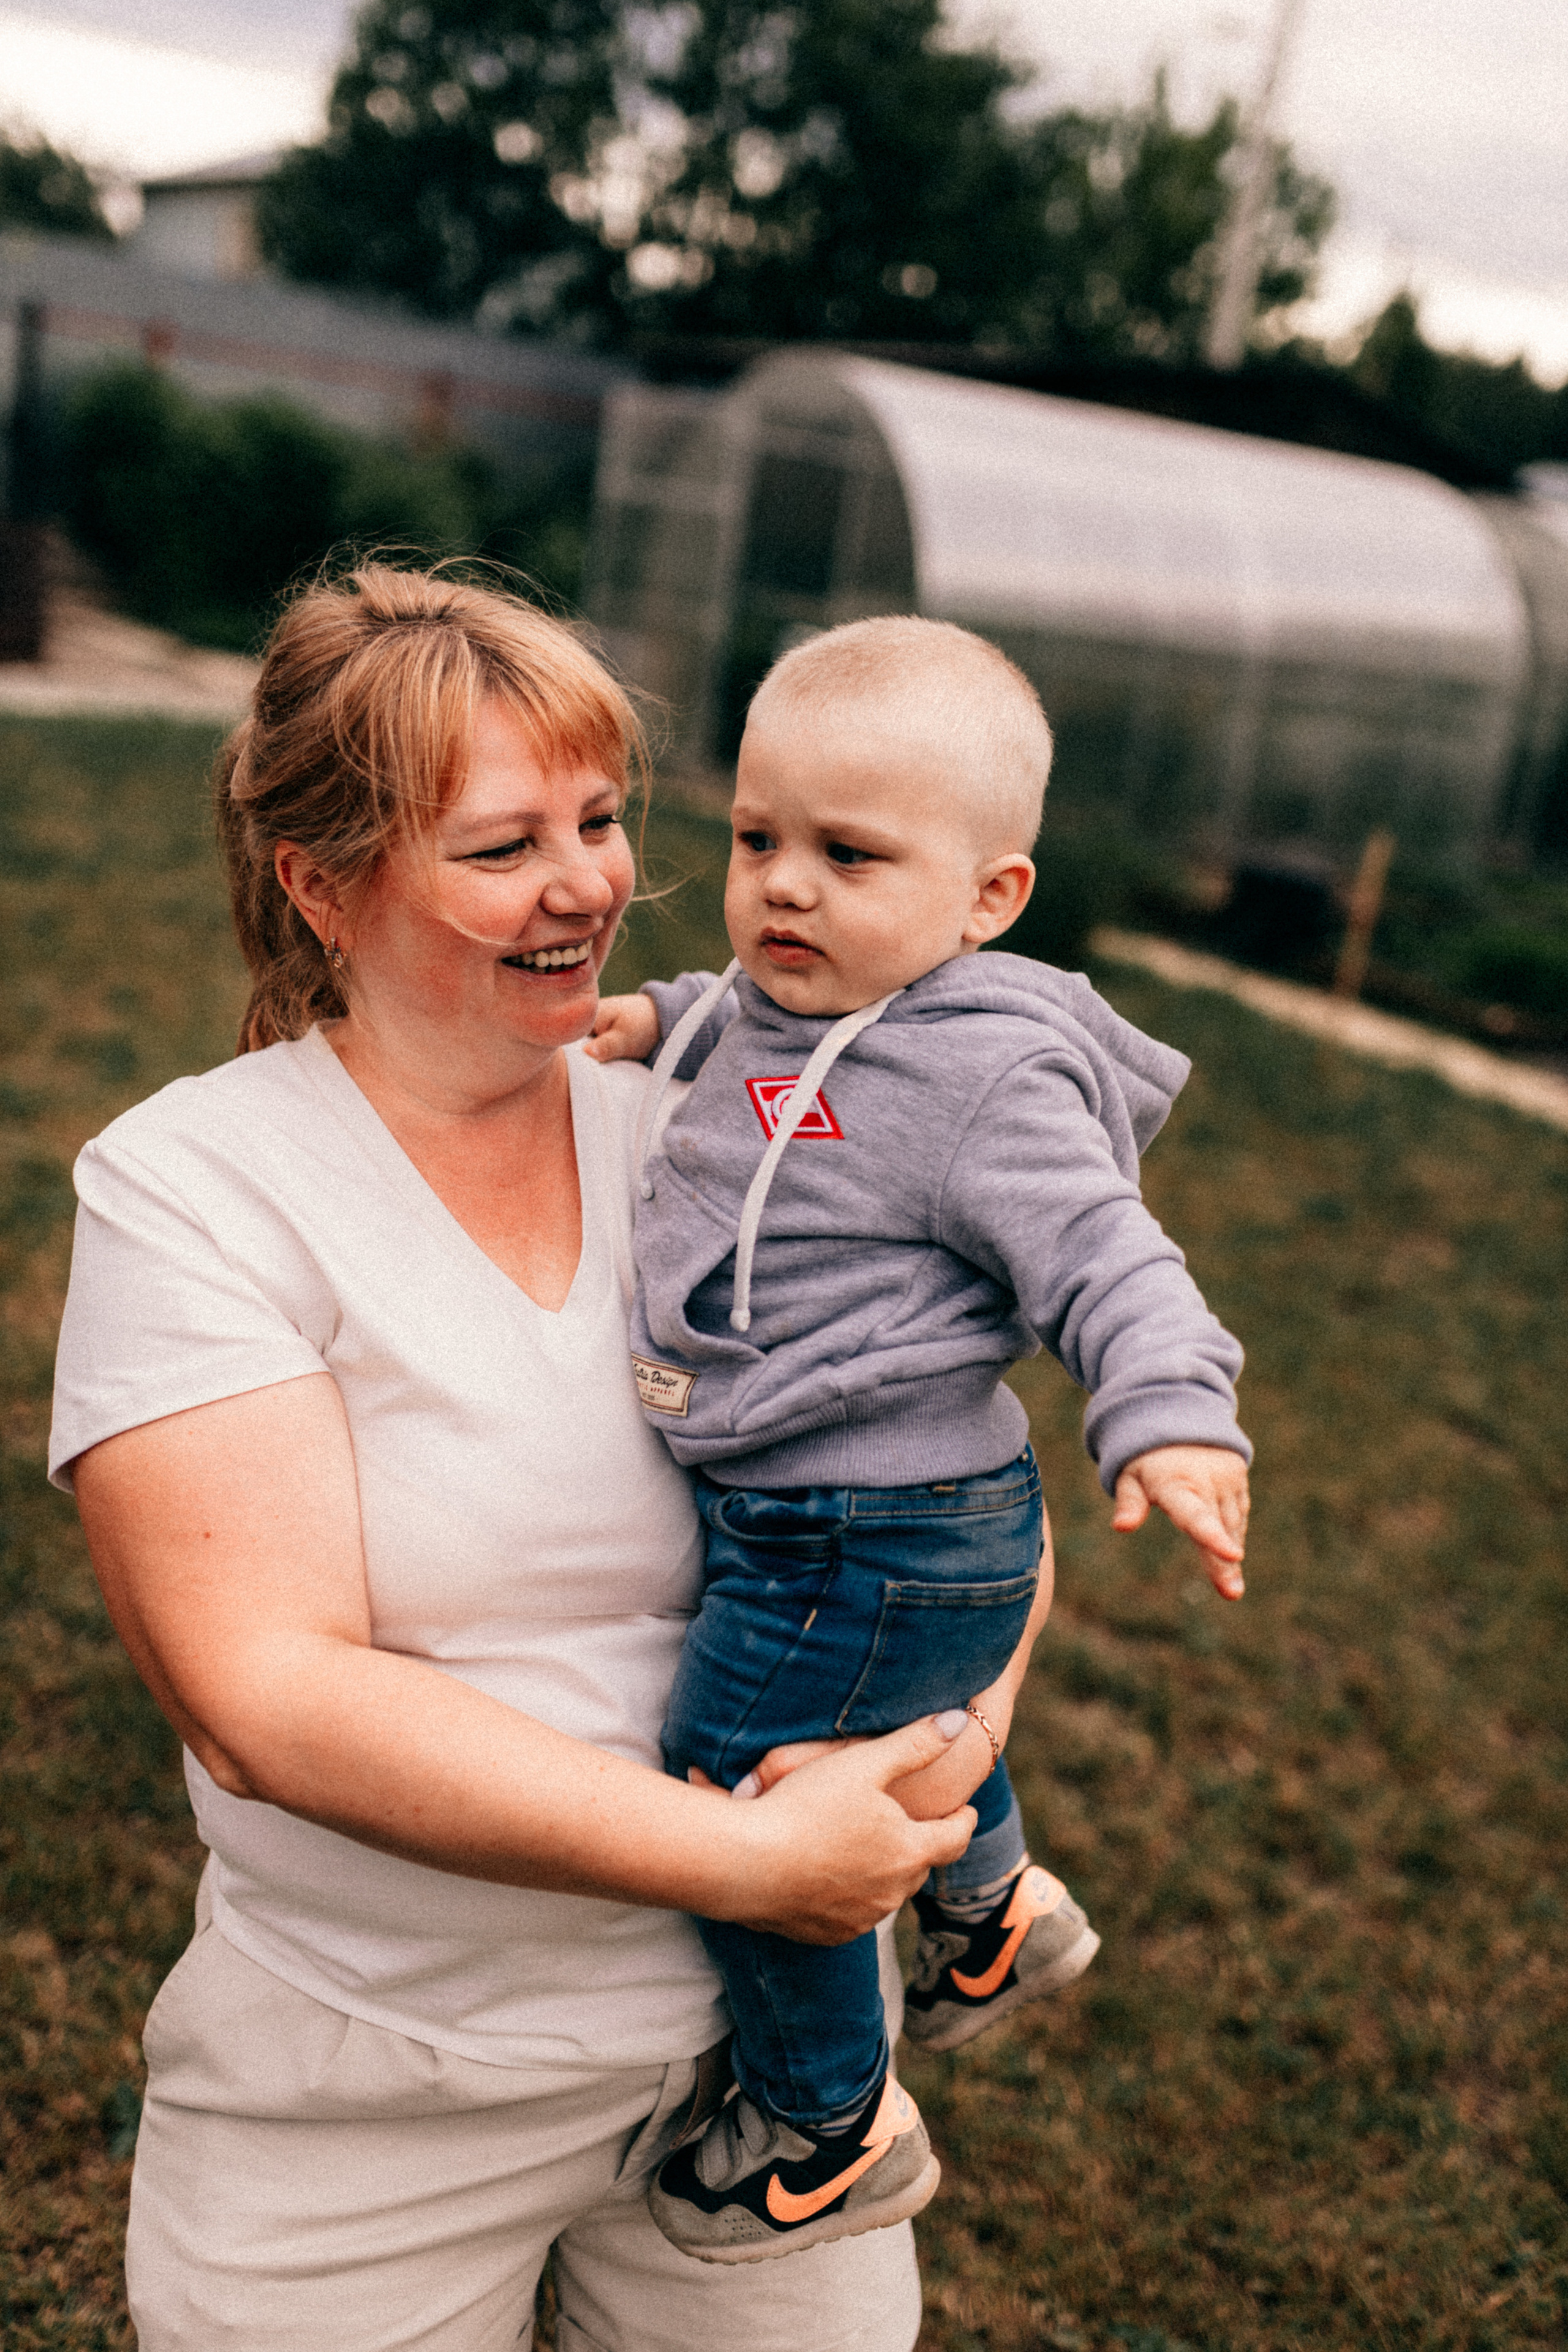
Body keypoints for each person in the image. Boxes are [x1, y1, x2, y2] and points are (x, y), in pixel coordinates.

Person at [47, 567, 1037, 2352]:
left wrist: (945, 1754)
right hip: (376, 2092)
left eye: (599, 820)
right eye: (503, 847)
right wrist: (751, 1863)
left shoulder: (733, 1120)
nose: (588, 883)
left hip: (762, 2075)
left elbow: (961, 1483)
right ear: (322, 884)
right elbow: (260, 1694)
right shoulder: (196, 1185)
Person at [586, 616, 1252, 2264]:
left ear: (987, 900)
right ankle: (991, 1910)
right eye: (757, 840)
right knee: (892, 1721)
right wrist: (655, 1017)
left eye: (848, 855)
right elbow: (750, 1050)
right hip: (870, 1522)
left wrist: (1170, 1418)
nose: (784, 890)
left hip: (866, 1525)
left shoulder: (983, 1086)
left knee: (746, 1788)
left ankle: (824, 2120)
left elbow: (1117, 1261)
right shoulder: (774, 1008)